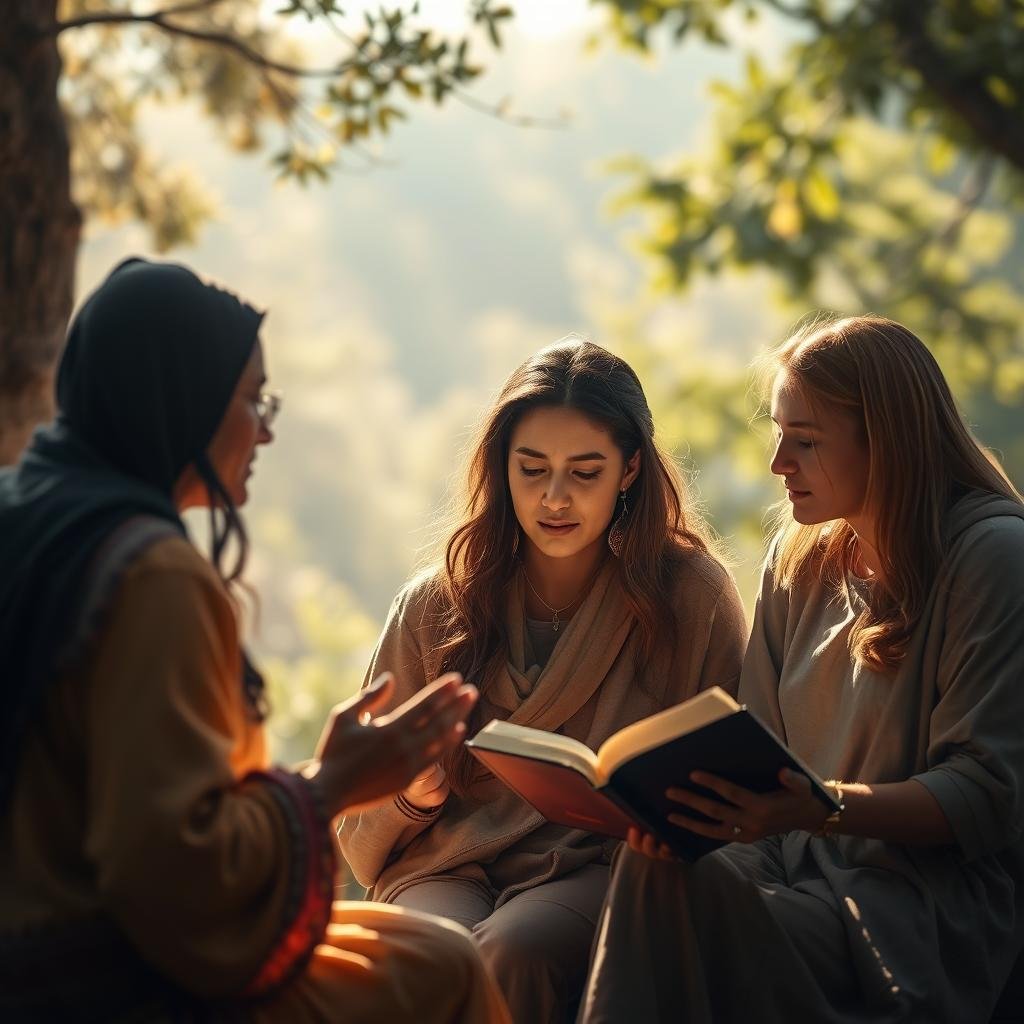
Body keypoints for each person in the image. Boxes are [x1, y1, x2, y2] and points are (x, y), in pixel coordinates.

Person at [0, 258, 512, 1023]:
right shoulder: (151, 576)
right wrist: (329, 788)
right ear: (181, 402)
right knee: (443, 972)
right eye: (252, 400)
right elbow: (174, 877)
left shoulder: (27, 509)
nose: (267, 426)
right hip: (94, 973)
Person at [580, 315, 1024, 1023]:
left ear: (887, 441)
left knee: (680, 926)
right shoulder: (801, 559)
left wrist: (825, 809)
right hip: (792, 869)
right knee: (653, 864)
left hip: (910, 913)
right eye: (779, 434)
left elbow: (986, 793)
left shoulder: (992, 558)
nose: (777, 462)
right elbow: (759, 752)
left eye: (806, 441)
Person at [339, 338, 748, 1022]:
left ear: (631, 469)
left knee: (512, 951)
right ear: (502, 469)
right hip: (446, 865)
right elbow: (358, 836)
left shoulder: (689, 597)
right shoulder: (435, 603)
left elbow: (729, 776)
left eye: (584, 472)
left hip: (596, 867)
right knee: (428, 949)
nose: (554, 498)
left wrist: (651, 814)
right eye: (532, 470)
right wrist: (411, 794)